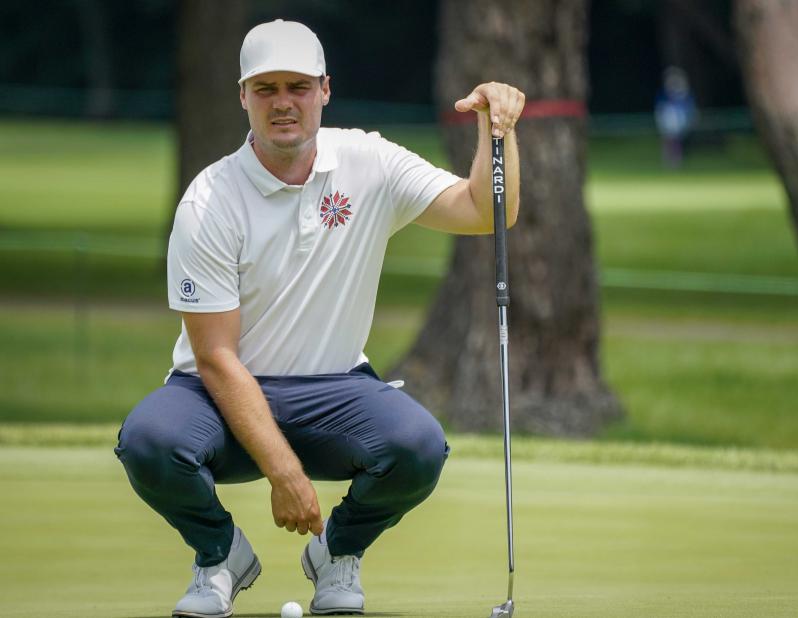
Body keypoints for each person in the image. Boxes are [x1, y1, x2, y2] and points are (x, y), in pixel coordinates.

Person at [114, 19, 523, 618]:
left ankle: (338, 551)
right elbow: (215, 357)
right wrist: (284, 472)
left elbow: (486, 211)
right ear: (243, 96)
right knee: (149, 441)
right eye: (266, 88)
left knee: (418, 447)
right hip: (216, 397)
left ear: (325, 90)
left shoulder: (369, 162)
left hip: (334, 390)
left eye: (298, 87)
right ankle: (219, 554)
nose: (283, 103)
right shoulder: (210, 200)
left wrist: (496, 129)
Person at [654, 65, 696, 169]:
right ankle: (669, 161)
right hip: (668, 119)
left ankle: (676, 161)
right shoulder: (664, 94)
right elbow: (660, 107)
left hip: (679, 119)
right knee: (668, 140)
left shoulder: (683, 93)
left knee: (676, 141)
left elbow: (688, 106)